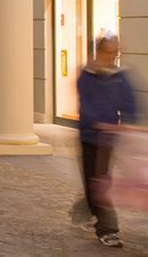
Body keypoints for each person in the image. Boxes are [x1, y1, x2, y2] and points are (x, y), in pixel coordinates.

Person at [76, 35, 138, 248]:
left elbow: (129, 102)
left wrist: (128, 123)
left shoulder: (119, 77)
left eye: (115, 52)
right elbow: (86, 103)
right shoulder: (88, 75)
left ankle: (104, 223)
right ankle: (100, 219)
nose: (112, 56)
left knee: (100, 181)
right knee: (94, 180)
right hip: (89, 136)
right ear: (100, 52)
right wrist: (96, 122)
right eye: (109, 52)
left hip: (108, 138)